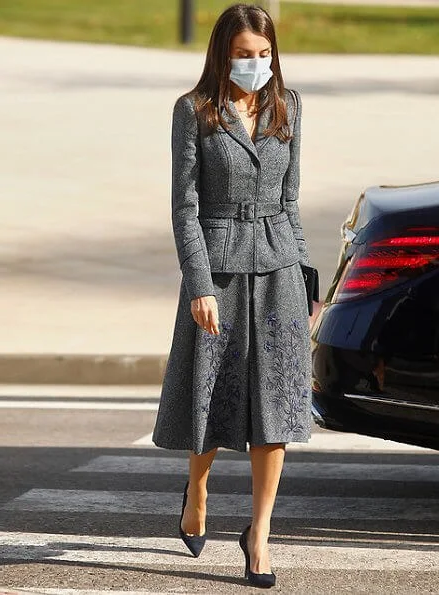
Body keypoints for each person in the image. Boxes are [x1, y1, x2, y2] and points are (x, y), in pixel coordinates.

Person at [152, 3, 314, 588]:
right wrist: (198, 285)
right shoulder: (193, 112)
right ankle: (197, 490)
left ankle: (259, 537)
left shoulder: (288, 106)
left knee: (275, 409)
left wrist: (306, 279)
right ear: (223, 54)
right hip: (217, 273)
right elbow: (184, 207)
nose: (255, 65)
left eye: (264, 54)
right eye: (244, 55)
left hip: (278, 274)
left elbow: (291, 200)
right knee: (213, 398)